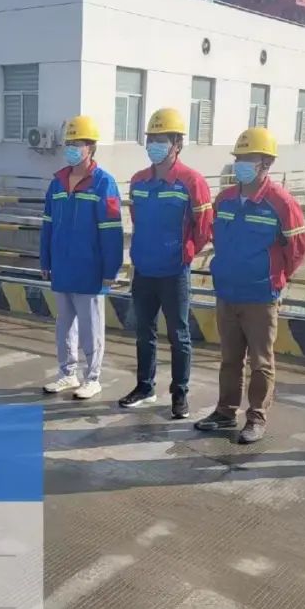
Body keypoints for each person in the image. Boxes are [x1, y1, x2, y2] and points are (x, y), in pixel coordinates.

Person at [194, 128, 305, 443]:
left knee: (261, 362)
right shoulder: (225, 199)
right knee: (230, 359)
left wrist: (274, 278)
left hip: (260, 296)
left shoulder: (281, 202)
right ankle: (225, 412)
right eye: (239, 158)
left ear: (266, 163)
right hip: (227, 292)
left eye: (250, 158)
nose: (242, 164)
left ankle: (256, 417)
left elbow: (298, 249)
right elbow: (218, 238)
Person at [118, 108, 213, 419]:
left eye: (161, 140)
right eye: (151, 140)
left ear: (177, 144)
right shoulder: (138, 181)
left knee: (179, 335)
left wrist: (184, 252)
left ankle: (179, 394)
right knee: (143, 332)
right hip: (144, 270)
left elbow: (204, 227)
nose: (154, 145)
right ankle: (144, 387)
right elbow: (138, 220)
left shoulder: (192, 181)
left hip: (174, 272)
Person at [39, 115, 123, 400]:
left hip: (90, 269)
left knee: (91, 328)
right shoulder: (57, 183)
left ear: (91, 147)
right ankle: (67, 374)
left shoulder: (103, 183)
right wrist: (45, 260)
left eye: (78, 143)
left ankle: (93, 378)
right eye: (70, 143)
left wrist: (111, 269)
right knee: (64, 326)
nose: (72, 148)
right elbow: (47, 224)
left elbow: (111, 230)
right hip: (63, 267)